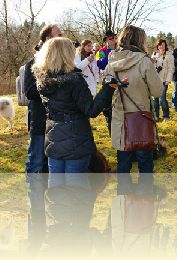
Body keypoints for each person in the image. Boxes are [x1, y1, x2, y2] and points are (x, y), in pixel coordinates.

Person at [32, 37, 115, 255]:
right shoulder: (74, 81)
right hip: (76, 142)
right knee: (77, 195)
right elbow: (91, 110)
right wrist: (108, 88)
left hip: (54, 142)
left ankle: (57, 242)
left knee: (56, 196)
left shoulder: (43, 81)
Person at [104, 25, 163, 178]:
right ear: (139, 41)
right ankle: (144, 201)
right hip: (141, 121)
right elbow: (158, 91)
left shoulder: (111, 61)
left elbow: (106, 88)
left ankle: (123, 201)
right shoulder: (144, 62)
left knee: (123, 167)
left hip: (120, 120)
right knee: (145, 168)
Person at [24, 23, 62, 253]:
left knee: (51, 170)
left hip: (57, 125)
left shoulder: (61, 64)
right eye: (58, 35)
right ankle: (37, 215)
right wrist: (52, 85)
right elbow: (29, 92)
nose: (61, 38)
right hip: (39, 124)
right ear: (47, 38)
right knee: (36, 166)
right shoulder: (34, 63)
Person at [97, 30, 117, 135]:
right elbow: (99, 64)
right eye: (110, 38)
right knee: (108, 106)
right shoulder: (101, 51)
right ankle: (110, 126)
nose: (113, 40)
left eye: (114, 37)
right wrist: (110, 55)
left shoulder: (120, 49)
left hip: (119, 80)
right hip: (108, 80)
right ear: (106, 40)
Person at [151, 39, 174, 121]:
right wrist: (153, 62)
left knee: (162, 99)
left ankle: (166, 116)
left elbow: (171, 69)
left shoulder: (169, 55)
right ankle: (156, 115)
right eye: (160, 45)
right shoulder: (154, 54)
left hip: (164, 80)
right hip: (154, 80)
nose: (161, 47)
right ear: (157, 46)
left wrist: (168, 79)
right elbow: (150, 68)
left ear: (165, 46)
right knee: (155, 99)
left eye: (163, 45)